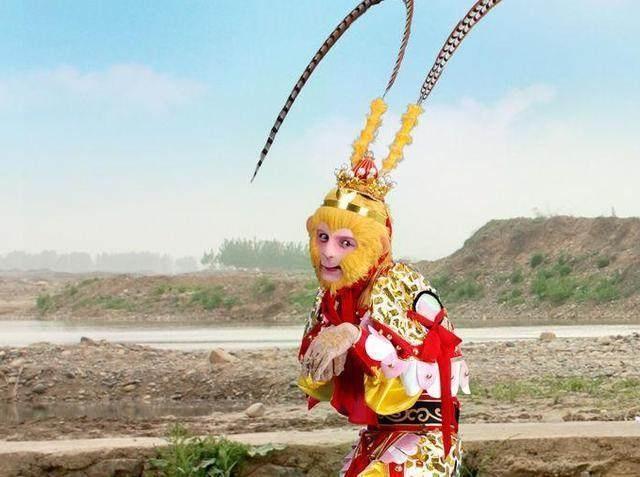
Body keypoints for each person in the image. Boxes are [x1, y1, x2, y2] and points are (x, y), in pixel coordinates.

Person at [253, 1, 505, 474]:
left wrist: (352, 334)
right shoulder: (332, 297)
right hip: (378, 435)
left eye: (345, 243)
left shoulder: (400, 281)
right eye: (322, 237)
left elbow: (409, 345)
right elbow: (317, 367)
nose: (328, 253)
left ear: (375, 245)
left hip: (424, 437)